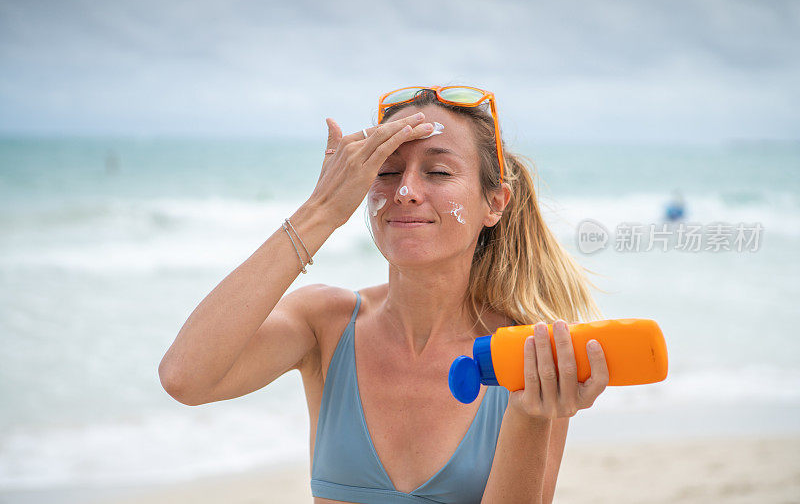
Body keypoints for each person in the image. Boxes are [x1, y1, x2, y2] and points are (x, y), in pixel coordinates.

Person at [158, 86, 610, 504]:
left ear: (494, 203)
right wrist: (321, 211)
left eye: (437, 171)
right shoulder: (326, 324)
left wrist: (531, 417)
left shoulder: (528, 352)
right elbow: (185, 377)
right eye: (387, 173)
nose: (406, 191)